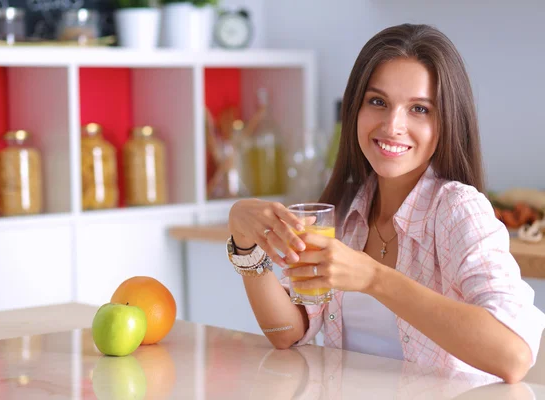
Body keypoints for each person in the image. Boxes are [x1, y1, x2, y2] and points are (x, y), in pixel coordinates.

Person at [226, 23, 545, 383]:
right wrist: (244, 242)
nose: (393, 125)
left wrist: (374, 278)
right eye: (378, 102)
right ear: (355, 109)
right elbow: (287, 331)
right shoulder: (346, 210)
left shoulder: (458, 210)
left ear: (447, 122)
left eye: (419, 109)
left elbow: (513, 355)